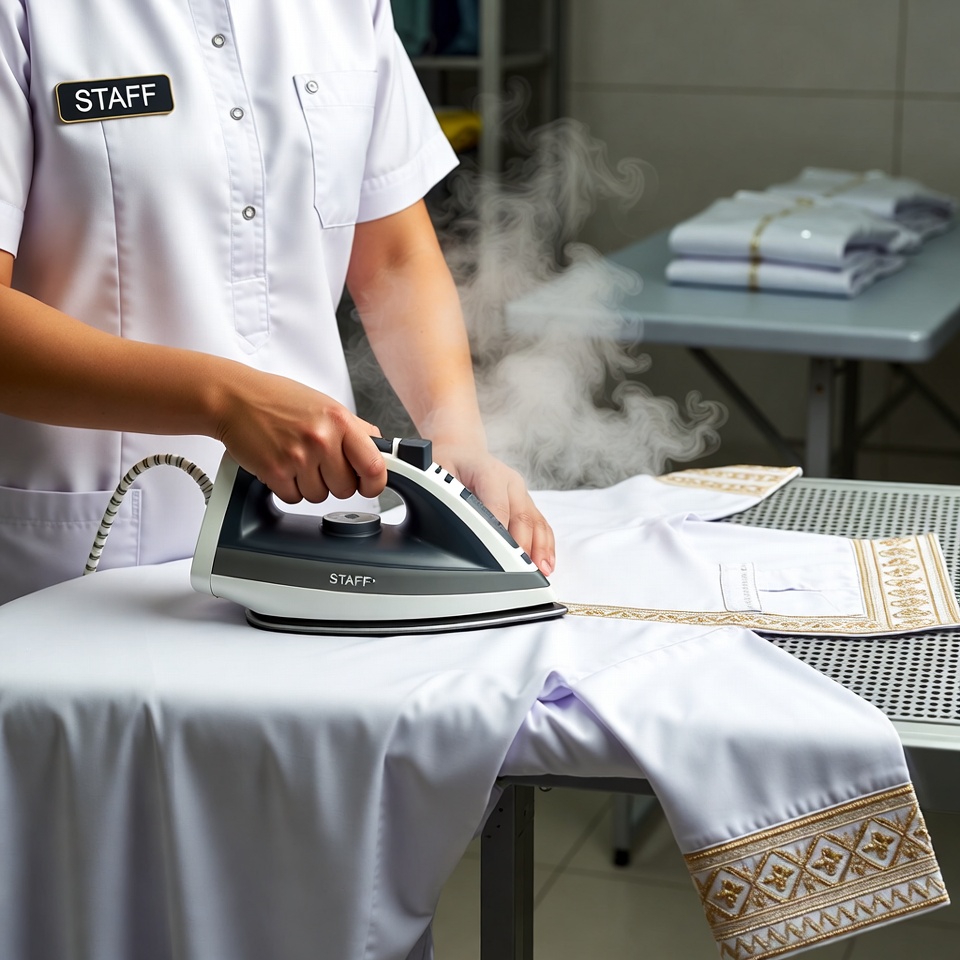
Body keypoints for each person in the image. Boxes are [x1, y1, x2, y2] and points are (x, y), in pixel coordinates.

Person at [0, 0, 555, 604]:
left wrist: (456, 442)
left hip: (320, 538)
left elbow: (394, 257)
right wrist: (224, 401)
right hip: (88, 556)